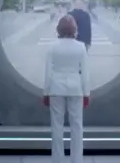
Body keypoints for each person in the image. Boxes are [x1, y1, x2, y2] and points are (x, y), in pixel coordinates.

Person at [43, 15, 90, 163]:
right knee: (77, 126)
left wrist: (45, 92)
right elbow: (85, 73)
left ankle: (58, 159)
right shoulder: (81, 47)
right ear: (74, 29)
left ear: (59, 29)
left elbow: (48, 72)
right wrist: (86, 93)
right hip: (75, 88)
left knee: (57, 126)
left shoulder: (52, 47)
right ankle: (77, 159)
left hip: (56, 88)